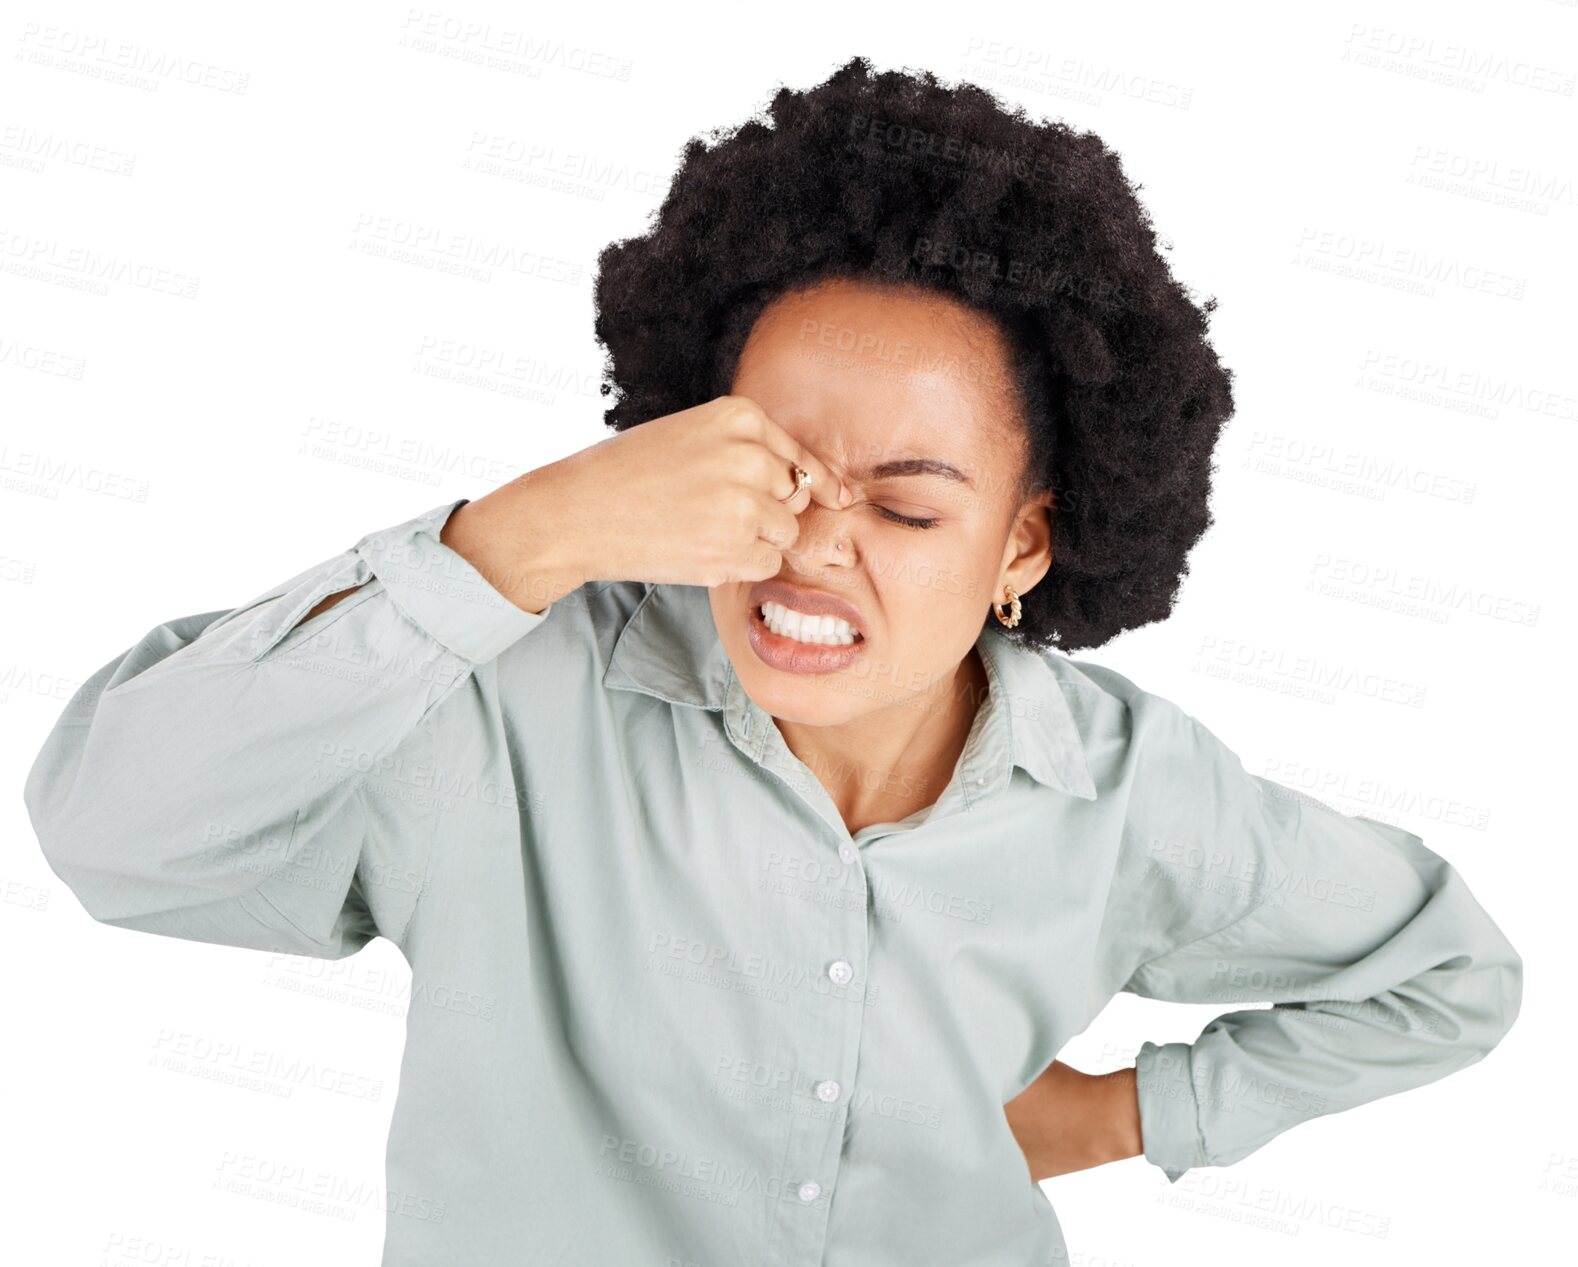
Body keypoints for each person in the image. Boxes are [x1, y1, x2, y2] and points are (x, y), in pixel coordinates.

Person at [23, 57, 1521, 1267]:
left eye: (907, 503)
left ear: (1022, 545)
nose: (813, 546)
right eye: (776, 472)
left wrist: (1136, 1111)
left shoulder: (1123, 789)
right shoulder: (504, 702)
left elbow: (1448, 976)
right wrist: (514, 542)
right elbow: (117, 834)